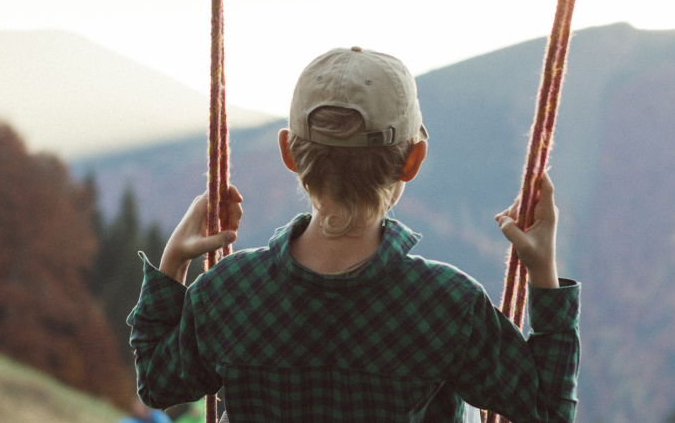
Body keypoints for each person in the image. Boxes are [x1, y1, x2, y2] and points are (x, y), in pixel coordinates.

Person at [128, 47, 579, 422]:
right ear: (413, 160)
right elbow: (548, 411)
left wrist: (173, 263)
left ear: (288, 153)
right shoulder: (448, 306)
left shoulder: (226, 294)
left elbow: (156, 384)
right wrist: (543, 272)